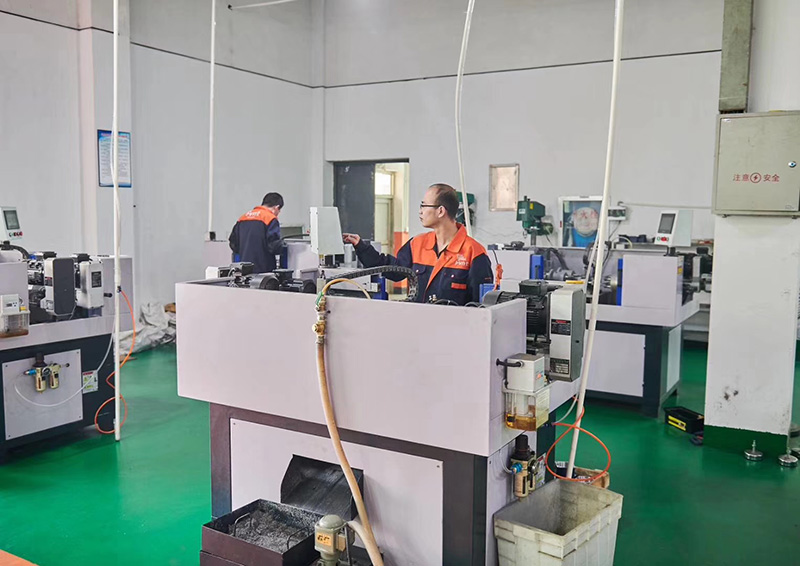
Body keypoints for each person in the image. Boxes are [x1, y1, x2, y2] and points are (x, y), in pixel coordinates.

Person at [343, 183, 493, 305]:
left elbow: (479, 305)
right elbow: (392, 270)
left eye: (424, 205)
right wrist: (361, 247)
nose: (420, 211)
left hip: (453, 329)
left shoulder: (473, 252)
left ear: (440, 211)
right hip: (418, 324)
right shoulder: (417, 244)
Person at [229, 192, 286, 273]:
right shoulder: (270, 218)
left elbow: (233, 244)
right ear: (276, 208)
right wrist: (283, 245)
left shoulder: (243, 218)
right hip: (263, 270)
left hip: (244, 269)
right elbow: (273, 246)